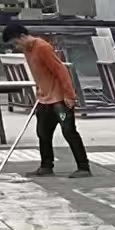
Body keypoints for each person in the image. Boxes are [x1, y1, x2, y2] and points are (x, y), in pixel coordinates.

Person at [3, 23, 90, 178]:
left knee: (68, 131)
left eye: (16, 43)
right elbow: (39, 73)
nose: (16, 47)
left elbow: (60, 70)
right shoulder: (27, 50)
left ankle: (83, 167)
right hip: (44, 100)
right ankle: (46, 166)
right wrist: (39, 89)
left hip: (59, 102)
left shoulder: (42, 47)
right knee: (43, 132)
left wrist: (69, 95)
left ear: (22, 36)